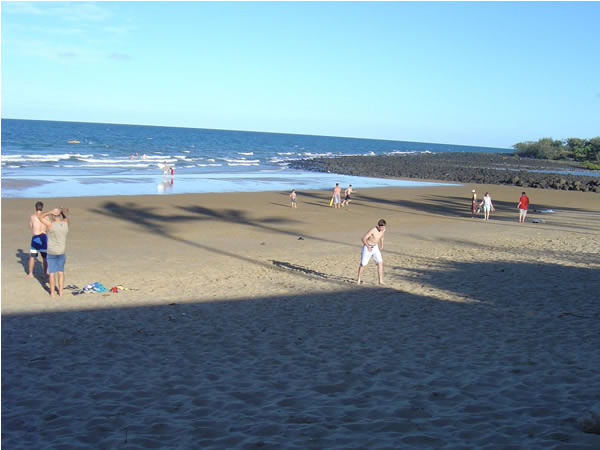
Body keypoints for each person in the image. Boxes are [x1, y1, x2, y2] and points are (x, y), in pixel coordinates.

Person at [40, 207, 70, 297]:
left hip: (52, 252)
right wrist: (62, 212)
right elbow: (65, 218)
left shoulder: (50, 224)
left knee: (52, 273)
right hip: (61, 251)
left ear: (53, 216)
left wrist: (50, 212)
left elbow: (40, 217)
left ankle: (52, 292)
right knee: (61, 272)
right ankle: (60, 292)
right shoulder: (65, 224)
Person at [357, 219, 387, 285]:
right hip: (367, 247)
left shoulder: (383, 230)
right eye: (382, 227)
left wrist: (382, 245)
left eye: (384, 227)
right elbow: (363, 239)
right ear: (378, 226)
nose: (383, 228)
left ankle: (380, 281)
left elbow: (382, 237)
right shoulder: (373, 230)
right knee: (363, 264)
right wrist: (368, 247)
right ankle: (359, 279)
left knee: (380, 262)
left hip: (375, 247)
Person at [27, 201, 48, 278]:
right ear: (42, 207)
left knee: (32, 256)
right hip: (43, 237)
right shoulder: (46, 217)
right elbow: (48, 226)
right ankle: (45, 273)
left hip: (36, 237)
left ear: (35, 207)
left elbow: (31, 226)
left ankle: (30, 273)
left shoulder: (33, 217)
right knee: (45, 257)